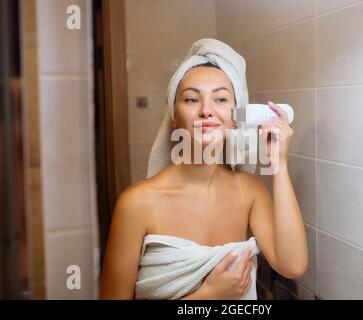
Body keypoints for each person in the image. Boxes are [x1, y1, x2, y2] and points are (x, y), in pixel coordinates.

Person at [99, 38, 308, 300]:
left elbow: (292, 265)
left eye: (220, 99)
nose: (206, 110)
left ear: (236, 119)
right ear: (174, 118)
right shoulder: (137, 203)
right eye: (191, 99)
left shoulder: (249, 191)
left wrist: (279, 164)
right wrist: (208, 295)